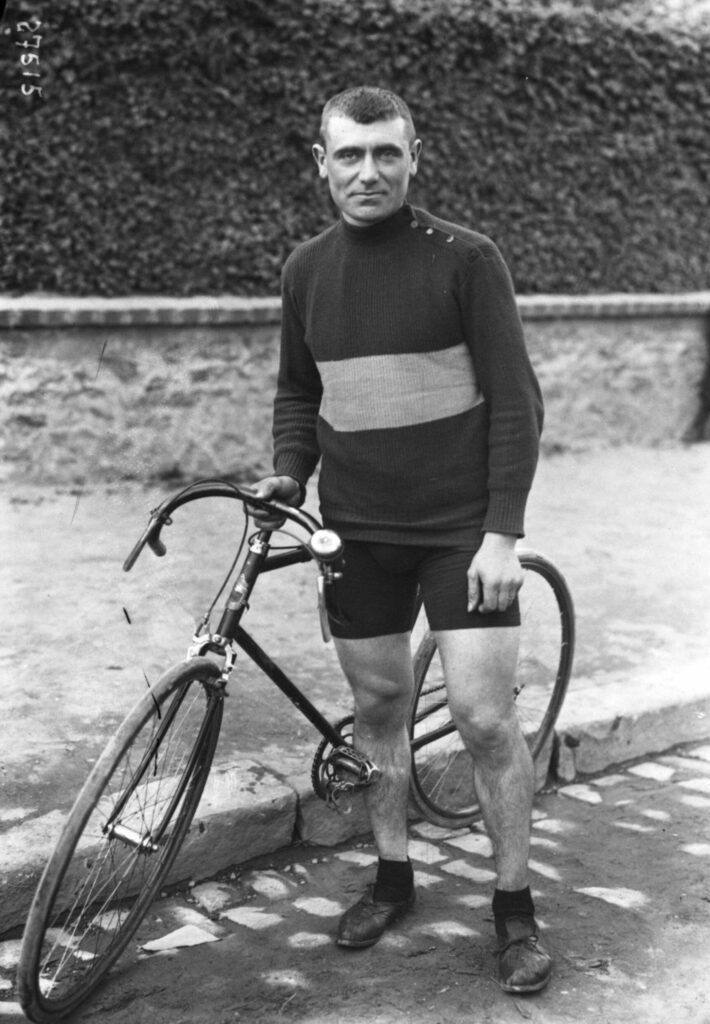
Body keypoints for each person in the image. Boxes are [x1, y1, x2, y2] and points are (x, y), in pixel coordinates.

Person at [252, 85, 551, 994]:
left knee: (485, 718)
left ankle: (514, 909)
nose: (369, 172)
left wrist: (502, 536)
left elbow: (517, 403)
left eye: (387, 152)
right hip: (355, 531)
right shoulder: (306, 269)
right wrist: (289, 472)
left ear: (415, 157)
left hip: (461, 532)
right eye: (350, 155)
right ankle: (391, 877)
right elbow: (299, 392)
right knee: (377, 709)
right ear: (322, 164)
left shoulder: (467, 258)